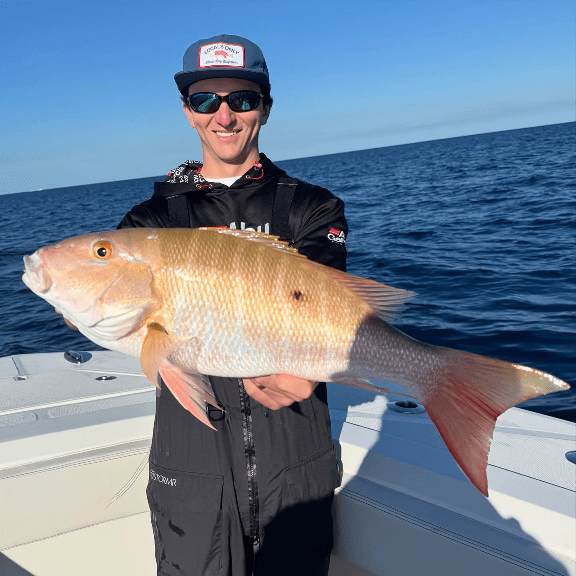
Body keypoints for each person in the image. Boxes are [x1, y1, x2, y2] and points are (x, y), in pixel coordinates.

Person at [117, 34, 348, 576]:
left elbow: (327, 298)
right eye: (206, 101)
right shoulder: (149, 223)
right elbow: (119, 310)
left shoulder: (313, 206)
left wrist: (306, 368)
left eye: (241, 100)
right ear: (188, 112)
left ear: (265, 107)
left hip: (297, 467)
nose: (224, 116)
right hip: (191, 475)